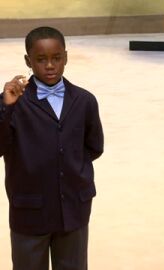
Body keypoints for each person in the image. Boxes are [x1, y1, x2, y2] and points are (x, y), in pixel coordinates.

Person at [0, 26, 104, 270]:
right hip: (30, 210)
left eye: (56, 58)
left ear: (66, 57)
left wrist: (68, 166)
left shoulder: (84, 100)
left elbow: (94, 146)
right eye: (41, 59)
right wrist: (6, 107)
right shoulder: (13, 102)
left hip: (73, 209)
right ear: (28, 61)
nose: (49, 66)